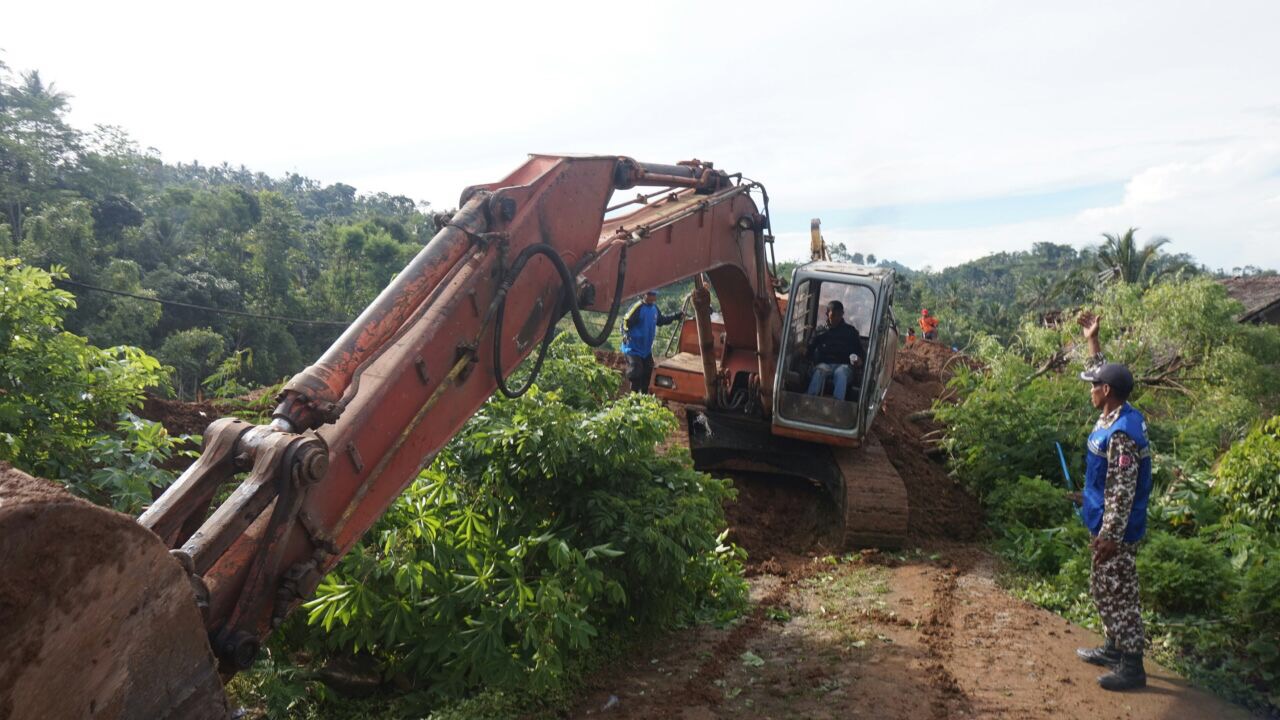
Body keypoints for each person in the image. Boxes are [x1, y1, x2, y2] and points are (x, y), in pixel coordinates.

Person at [1074, 310, 1152, 691]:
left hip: (1116, 530)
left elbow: (1122, 490)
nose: (1090, 388)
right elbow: (1103, 370)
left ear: (1106, 392)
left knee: (1120, 592)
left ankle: (1133, 665)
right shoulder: (1114, 411)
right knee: (1104, 586)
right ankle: (1112, 646)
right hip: (1103, 520)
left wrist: (1110, 537)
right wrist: (1093, 340)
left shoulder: (1121, 432)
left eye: (1094, 385)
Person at [620, 290, 683, 393]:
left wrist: (676, 316)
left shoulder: (654, 309)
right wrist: (625, 334)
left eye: (653, 295)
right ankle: (632, 396)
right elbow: (625, 322)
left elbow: (661, 320)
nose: (652, 297)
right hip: (633, 347)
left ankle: (644, 396)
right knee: (636, 370)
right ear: (644, 295)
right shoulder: (637, 307)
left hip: (646, 350)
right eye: (649, 294)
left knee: (648, 372)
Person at [805, 300, 865, 401]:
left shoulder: (850, 332)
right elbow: (809, 349)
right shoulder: (820, 331)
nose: (836, 318)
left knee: (841, 373)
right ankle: (809, 401)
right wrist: (805, 352)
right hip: (824, 364)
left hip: (844, 366)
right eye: (833, 315)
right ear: (827, 314)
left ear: (842, 314)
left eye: (839, 315)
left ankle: (837, 404)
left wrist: (859, 360)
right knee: (820, 371)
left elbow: (860, 351)